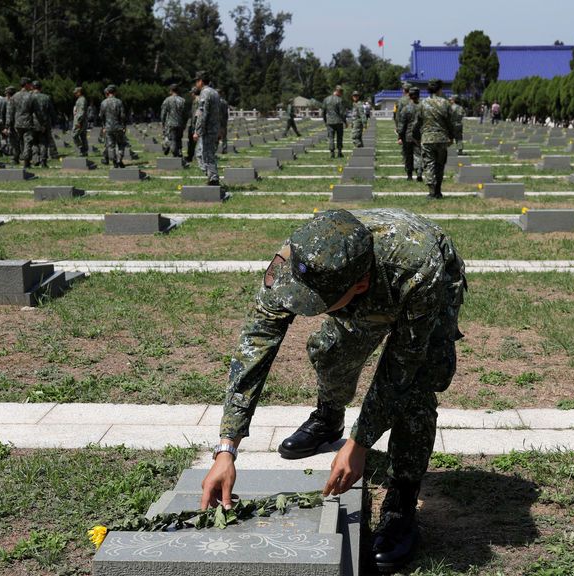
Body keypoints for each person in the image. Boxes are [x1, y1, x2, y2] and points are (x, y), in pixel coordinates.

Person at [199, 208, 466, 572]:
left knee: (418, 386)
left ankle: (402, 501)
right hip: (366, 282)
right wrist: (226, 447)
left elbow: (400, 368)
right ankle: (329, 418)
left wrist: (359, 444)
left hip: (422, 284)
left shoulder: (417, 268)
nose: (302, 307)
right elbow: (257, 339)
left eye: (314, 303)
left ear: (358, 286)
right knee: (329, 350)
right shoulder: (299, 257)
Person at [419, 79, 455, 199]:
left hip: (427, 138)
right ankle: (438, 190)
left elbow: (418, 121)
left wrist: (417, 135)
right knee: (440, 165)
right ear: (440, 89)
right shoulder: (445, 103)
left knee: (429, 164)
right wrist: (451, 136)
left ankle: (431, 191)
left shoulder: (423, 103)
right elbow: (450, 122)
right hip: (442, 138)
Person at [192, 72, 221, 185]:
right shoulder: (215, 92)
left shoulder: (205, 93)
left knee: (206, 155)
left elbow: (202, 113)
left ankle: (213, 178)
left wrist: (197, 131)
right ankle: (211, 176)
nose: (196, 83)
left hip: (207, 129)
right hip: (214, 128)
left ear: (201, 81)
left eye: (197, 81)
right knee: (206, 154)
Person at [11, 78, 40, 168]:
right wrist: (41, 122)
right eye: (30, 84)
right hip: (27, 122)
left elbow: (10, 111)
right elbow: (37, 111)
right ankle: (26, 161)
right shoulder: (31, 96)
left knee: (21, 142)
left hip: (17, 123)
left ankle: (24, 158)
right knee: (28, 141)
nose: (31, 86)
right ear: (26, 84)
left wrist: (9, 124)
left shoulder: (14, 96)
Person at [397, 87, 423, 183]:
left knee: (408, 156)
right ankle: (419, 173)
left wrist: (400, 136)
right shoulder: (423, 107)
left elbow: (402, 124)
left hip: (408, 136)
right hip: (419, 136)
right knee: (418, 155)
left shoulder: (406, 108)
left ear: (410, 96)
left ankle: (409, 175)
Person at [99, 85, 126, 168]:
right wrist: (124, 126)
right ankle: (119, 159)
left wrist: (103, 126)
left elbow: (101, 116)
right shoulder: (119, 102)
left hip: (108, 127)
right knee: (121, 144)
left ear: (108, 92)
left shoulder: (103, 102)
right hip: (118, 127)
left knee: (111, 146)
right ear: (115, 92)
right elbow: (122, 115)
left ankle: (114, 161)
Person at [32, 80, 57, 167]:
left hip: (32, 123)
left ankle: (35, 159)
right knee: (43, 143)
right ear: (40, 88)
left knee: (34, 142)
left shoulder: (29, 97)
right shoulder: (46, 97)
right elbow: (52, 111)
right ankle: (43, 161)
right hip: (44, 124)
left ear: (32, 87)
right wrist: (54, 121)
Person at [160, 84, 187, 159]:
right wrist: (184, 124)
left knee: (173, 139)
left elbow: (163, 113)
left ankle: (175, 155)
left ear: (171, 91)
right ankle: (179, 152)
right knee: (179, 139)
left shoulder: (167, 100)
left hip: (171, 123)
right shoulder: (183, 100)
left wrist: (163, 123)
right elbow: (186, 114)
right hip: (180, 123)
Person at [322, 85, 347, 158]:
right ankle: (339, 152)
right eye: (341, 92)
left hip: (329, 122)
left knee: (331, 137)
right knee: (339, 137)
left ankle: (332, 153)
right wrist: (345, 122)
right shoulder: (339, 100)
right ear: (338, 91)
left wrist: (325, 121)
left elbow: (323, 112)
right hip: (338, 122)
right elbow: (342, 113)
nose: (341, 94)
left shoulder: (326, 99)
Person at [4, 86, 19, 162]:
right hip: (22, 123)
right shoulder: (19, 99)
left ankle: (15, 158)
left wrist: (6, 127)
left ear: (8, 94)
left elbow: (9, 115)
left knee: (13, 142)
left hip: (14, 125)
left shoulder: (11, 101)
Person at [72, 87, 89, 157]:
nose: (75, 94)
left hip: (80, 121)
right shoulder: (81, 99)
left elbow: (82, 111)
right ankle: (84, 151)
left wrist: (79, 121)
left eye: (76, 92)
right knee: (83, 136)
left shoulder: (82, 100)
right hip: (82, 121)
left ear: (79, 92)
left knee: (74, 135)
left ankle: (81, 148)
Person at [186, 86, 200, 164]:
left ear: (194, 93)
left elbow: (196, 114)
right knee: (192, 142)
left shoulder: (197, 101)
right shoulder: (197, 100)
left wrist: (194, 125)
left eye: (191, 93)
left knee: (193, 142)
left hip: (195, 124)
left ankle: (191, 157)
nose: (191, 94)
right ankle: (191, 156)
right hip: (195, 124)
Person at [218, 88, 230, 154]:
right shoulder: (225, 102)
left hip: (217, 121)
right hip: (223, 121)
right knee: (224, 137)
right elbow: (226, 113)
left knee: (216, 136)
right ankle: (224, 149)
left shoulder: (216, 102)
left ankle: (215, 149)